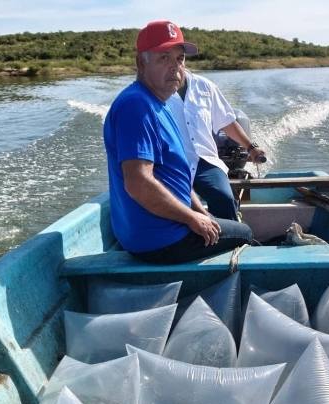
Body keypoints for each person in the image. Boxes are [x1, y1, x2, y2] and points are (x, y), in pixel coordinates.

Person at [102, 20, 253, 264]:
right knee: (245, 233)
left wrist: (201, 212)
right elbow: (138, 183)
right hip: (158, 240)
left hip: (161, 229)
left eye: (180, 59)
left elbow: (177, 176)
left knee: (220, 221)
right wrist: (191, 219)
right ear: (142, 62)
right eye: (164, 58)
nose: (175, 68)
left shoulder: (160, 105)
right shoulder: (136, 106)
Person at [167, 70, 266, 220]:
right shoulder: (154, 89)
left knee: (224, 199)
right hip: (170, 162)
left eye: (180, 57)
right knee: (176, 204)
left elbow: (227, 122)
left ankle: (230, 239)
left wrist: (251, 148)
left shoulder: (204, 86)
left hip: (205, 161)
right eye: (165, 56)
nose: (174, 63)